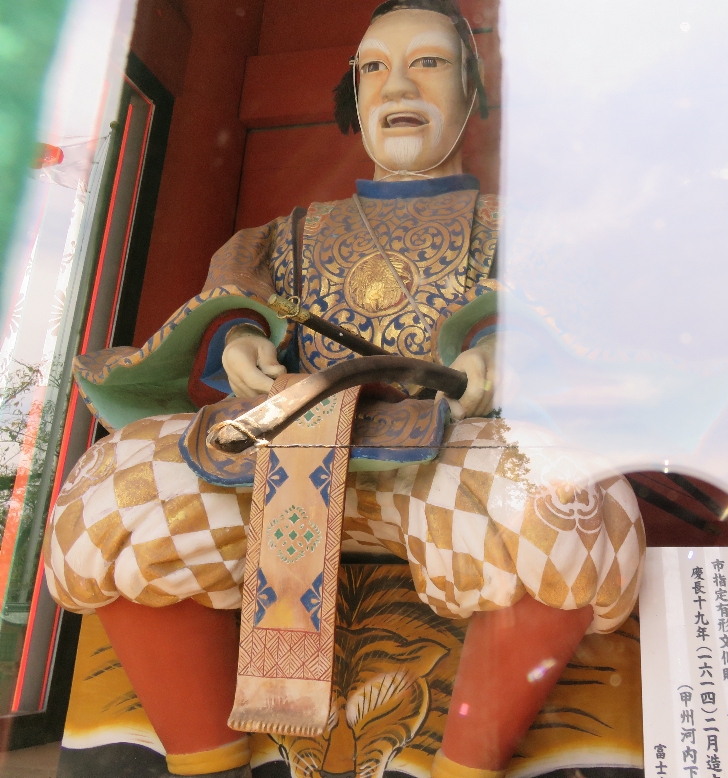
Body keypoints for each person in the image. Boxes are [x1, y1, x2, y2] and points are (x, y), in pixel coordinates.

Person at [43, 2, 645, 776]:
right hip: (280, 459)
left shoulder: (519, 227)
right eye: (373, 68)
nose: (399, 85)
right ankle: (205, 760)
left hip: (444, 469)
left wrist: (500, 354)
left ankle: (463, 765)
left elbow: (554, 324)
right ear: (353, 96)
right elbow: (236, 305)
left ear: (471, 89)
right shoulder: (290, 233)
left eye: (428, 63)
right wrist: (241, 343)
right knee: (117, 482)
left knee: (562, 497)